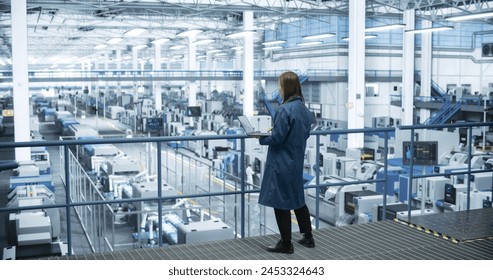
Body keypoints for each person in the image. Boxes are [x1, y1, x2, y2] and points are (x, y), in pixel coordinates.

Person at [257, 71, 315, 254]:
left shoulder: (284, 110)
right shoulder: (305, 110)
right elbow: (304, 134)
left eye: (280, 86)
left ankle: (286, 243)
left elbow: (278, 137)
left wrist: (261, 138)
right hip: (296, 161)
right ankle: (308, 237)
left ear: (286, 88)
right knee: (297, 199)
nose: (279, 90)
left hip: (281, 163)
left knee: (280, 202)